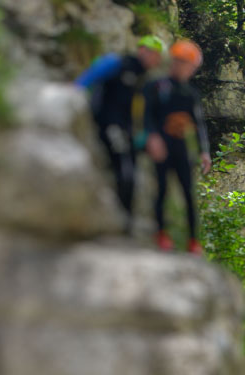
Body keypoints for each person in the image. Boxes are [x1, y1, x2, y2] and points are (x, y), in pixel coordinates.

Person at [76, 35, 165, 231]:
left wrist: (143, 134)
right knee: (125, 170)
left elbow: (140, 110)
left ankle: (126, 221)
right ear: (142, 51)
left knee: (131, 171)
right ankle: (120, 221)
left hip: (126, 130)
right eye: (153, 54)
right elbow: (93, 75)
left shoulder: (143, 79)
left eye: (158, 57)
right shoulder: (120, 63)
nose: (155, 60)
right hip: (108, 124)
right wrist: (76, 89)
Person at [143, 39, 212, 254]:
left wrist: (204, 151)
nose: (187, 71)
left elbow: (199, 123)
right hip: (162, 145)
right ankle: (161, 234)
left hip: (180, 147)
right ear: (175, 62)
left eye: (191, 68)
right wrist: (152, 137)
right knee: (161, 189)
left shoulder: (190, 94)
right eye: (184, 64)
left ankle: (193, 241)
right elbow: (146, 115)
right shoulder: (157, 85)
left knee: (188, 194)